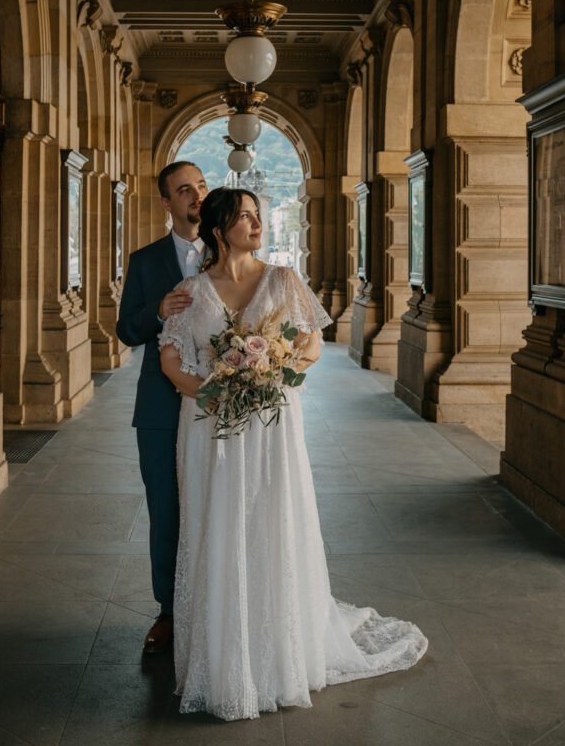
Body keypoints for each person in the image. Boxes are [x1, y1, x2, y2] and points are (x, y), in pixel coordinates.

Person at [159, 187, 427, 721]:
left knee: (271, 521)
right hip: (209, 427)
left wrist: (268, 374)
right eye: (245, 218)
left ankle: (279, 655)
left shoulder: (284, 281)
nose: (256, 226)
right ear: (219, 229)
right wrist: (218, 390)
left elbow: (309, 346)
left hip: (270, 425)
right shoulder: (189, 292)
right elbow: (172, 361)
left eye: (258, 217)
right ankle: (221, 659)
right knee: (217, 526)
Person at [115, 160, 208, 654]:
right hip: (158, 407)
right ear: (166, 202)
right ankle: (170, 612)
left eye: (201, 186)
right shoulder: (146, 260)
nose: (196, 195)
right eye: (184, 190)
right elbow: (126, 330)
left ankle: (217, 604)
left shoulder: (226, 252)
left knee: (217, 504)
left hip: (217, 406)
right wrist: (157, 312)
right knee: (165, 510)